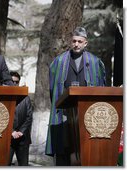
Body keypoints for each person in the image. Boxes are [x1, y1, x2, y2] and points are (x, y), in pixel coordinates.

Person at [45, 27, 106, 166]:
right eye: (74, 41)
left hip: (87, 115)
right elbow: (52, 91)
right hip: (64, 115)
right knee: (63, 150)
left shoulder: (96, 63)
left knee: (85, 152)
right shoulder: (59, 62)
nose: (76, 44)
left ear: (86, 43)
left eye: (80, 41)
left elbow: (102, 88)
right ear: (70, 42)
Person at [8, 71, 33, 166]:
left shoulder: (26, 98)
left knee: (23, 165)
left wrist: (21, 131)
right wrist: (12, 131)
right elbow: (2, 117)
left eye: (16, 82)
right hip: (8, 138)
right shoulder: (3, 97)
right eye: (12, 81)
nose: (14, 84)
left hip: (23, 138)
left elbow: (29, 117)